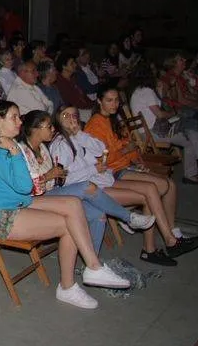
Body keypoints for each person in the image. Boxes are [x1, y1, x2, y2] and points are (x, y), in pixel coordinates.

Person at [0, 100, 130, 309]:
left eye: (20, 116)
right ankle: (68, 286)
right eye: (14, 117)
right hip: (1, 215)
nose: (20, 121)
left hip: (20, 203)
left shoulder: (8, 143)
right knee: (69, 225)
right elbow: (23, 185)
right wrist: (14, 153)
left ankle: (93, 267)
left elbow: (24, 189)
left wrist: (14, 151)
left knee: (74, 204)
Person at [85, 86, 198, 264]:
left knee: (170, 184)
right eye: (109, 100)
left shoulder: (114, 119)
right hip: (113, 172)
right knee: (159, 187)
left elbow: (128, 144)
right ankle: (169, 241)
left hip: (124, 167)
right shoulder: (95, 124)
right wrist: (126, 151)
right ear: (99, 101)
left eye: (116, 100)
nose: (114, 104)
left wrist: (138, 162)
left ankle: (171, 235)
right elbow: (102, 160)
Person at [51, 105, 180, 266]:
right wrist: (93, 168)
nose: (71, 119)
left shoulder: (78, 137)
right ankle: (150, 245)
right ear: (57, 120)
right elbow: (64, 179)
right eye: (65, 116)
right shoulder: (61, 144)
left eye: (74, 116)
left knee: (150, 190)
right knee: (146, 195)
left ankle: (155, 244)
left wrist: (80, 134)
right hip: (89, 189)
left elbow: (100, 149)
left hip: (102, 180)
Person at [18, 110, 155, 252]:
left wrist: (58, 175)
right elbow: (25, 186)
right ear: (35, 129)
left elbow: (101, 150)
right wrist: (48, 176)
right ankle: (128, 217)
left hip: (55, 191)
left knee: (98, 215)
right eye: (49, 126)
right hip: (38, 198)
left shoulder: (43, 148)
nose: (53, 129)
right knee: (88, 186)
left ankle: (92, 266)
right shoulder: (23, 151)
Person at [128, 64, 198, 185]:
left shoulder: (137, 91)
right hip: (153, 132)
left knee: (189, 126)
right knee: (188, 138)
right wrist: (173, 112)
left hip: (147, 130)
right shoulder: (147, 91)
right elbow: (160, 114)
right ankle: (194, 169)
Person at [53, 52, 95, 122]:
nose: (75, 65)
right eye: (72, 63)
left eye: (74, 62)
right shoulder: (60, 82)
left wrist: (93, 104)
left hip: (83, 108)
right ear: (64, 66)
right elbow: (72, 102)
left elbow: (83, 95)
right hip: (72, 112)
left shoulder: (72, 79)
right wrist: (90, 107)